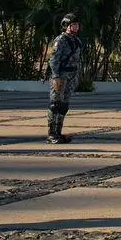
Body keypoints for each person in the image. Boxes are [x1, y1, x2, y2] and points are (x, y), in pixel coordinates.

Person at [46, 14, 84, 144]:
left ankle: (58, 132)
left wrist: (77, 76)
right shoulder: (60, 40)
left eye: (77, 25)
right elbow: (54, 59)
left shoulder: (77, 40)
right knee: (55, 104)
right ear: (66, 26)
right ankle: (51, 134)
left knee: (64, 106)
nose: (76, 27)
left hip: (71, 76)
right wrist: (56, 76)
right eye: (73, 25)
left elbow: (78, 61)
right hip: (60, 75)